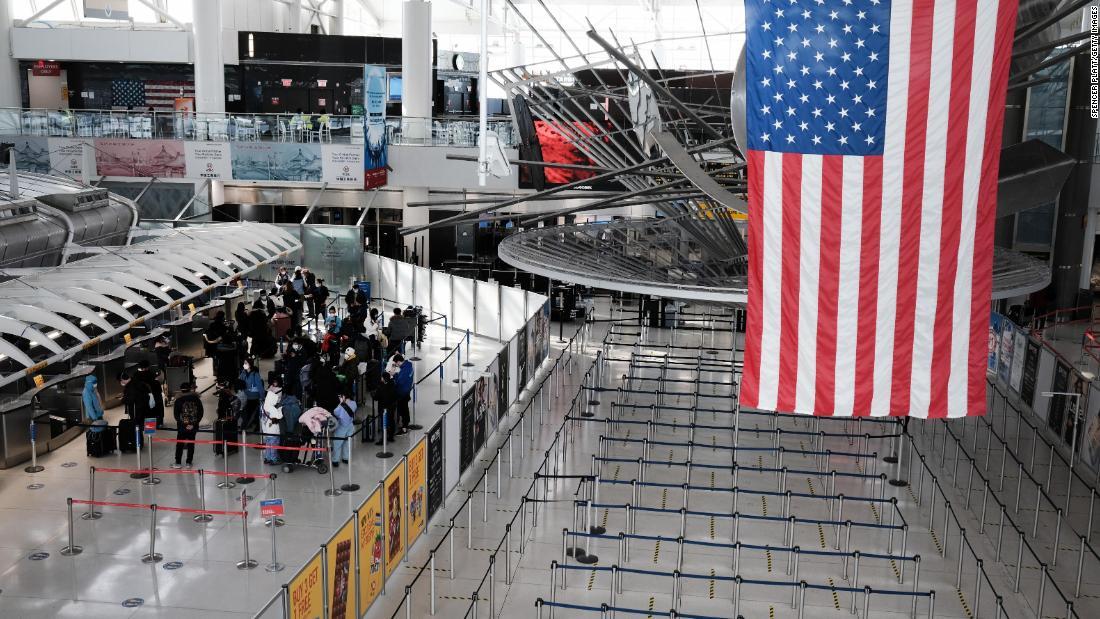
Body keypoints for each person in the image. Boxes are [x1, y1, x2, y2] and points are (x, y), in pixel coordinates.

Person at [171, 382, 203, 468]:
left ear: (181, 390)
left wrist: (184, 424)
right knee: (191, 444)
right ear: (190, 389)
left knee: (180, 444)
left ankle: (178, 463)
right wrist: (194, 424)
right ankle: (189, 462)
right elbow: (200, 413)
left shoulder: (178, 400)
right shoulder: (196, 399)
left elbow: (176, 415)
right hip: (193, 426)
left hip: (182, 427)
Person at [261, 378, 285, 465]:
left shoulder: (263, 406)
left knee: (268, 444)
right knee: (274, 444)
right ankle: (273, 459)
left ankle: (267, 457)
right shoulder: (272, 408)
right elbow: (279, 416)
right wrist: (280, 409)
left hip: (266, 429)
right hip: (273, 430)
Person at [239, 358, 265, 431]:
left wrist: (262, 397)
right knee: (251, 412)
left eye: (246, 363)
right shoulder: (243, 373)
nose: (244, 365)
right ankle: (252, 424)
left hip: (254, 397)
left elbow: (260, 387)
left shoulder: (255, 374)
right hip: (246, 396)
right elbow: (239, 382)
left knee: (250, 412)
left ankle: (246, 427)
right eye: (244, 363)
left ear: (250, 364)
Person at [332, 392, 356, 465]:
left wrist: (341, 403)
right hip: (350, 425)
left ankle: (335, 460)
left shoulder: (341, 405)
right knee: (347, 443)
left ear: (344, 396)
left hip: (341, 426)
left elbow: (335, 412)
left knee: (337, 443)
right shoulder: (354, 403)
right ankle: (346, 458)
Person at [374, 372, 398, 445]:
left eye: (382, 377)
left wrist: (373, 395)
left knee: (384, 423)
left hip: (383, 408)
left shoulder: (381, 387)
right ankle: (391, 436)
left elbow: (376, 397)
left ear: (384, 379)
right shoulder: (393, 384)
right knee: (391, 421)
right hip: (392, 407)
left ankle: (383, 439)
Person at [393, 355, 414, 434]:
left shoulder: (405, 370)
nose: (396, 365)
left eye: (396, 363)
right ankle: (406, 423)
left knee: (403, 409)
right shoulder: (409, 366)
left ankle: (404, 427)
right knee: (405, 408)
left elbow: (400, 382)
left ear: (398, 361)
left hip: (402, 392)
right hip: (407, 390)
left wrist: (394, 375)